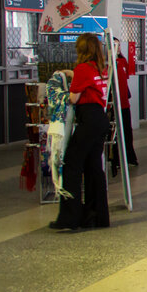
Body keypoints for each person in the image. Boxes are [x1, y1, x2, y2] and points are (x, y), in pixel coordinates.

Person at [49, 33, 111, 232]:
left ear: (81, 50)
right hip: (100, 120)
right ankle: (97, 215)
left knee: (71, 166)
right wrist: (72, 74)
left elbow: (74, 99)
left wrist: (58, 93)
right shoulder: (102, 69)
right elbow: (89, 86)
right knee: (94, 168)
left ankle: (70, 217)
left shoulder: (82, 69)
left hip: (88, 121)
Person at [114, 43, 138, 166]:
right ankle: (116, 159)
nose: (118, 48)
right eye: (115, 45)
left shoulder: (123, 61)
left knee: (127, 131)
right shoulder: (109, 64)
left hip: (124, 103)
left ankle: (129, 156)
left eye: (118, 45)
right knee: (115, 133)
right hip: (114, 104)